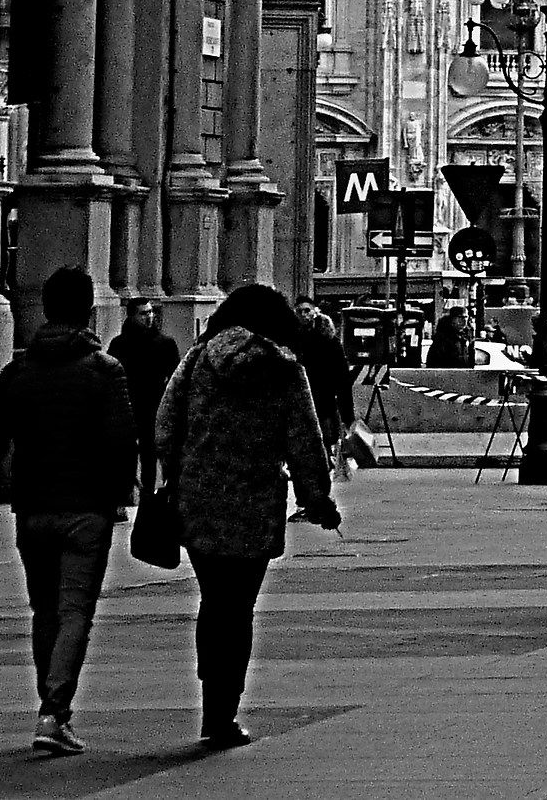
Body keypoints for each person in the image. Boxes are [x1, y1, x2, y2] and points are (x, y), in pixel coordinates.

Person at [0, 266, 138, 757]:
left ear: (46, 309)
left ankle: (49, 708)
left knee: (45, 610)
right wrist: (121, 496)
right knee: (75, 612)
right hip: (86, 510)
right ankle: (54, 711)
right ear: (89, 309)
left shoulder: (19, 372)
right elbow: (121, 442)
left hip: (32, 510)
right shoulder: (104, 371)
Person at [154, 282, 340, 749]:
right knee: (239, 607)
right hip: (254, 502)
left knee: (214, 601)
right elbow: (304, 441)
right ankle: (223, 710)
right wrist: (318, 501)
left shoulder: (197, 360)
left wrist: (184, 467)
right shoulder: (283, 369)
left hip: (199, 500)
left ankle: (210, 696)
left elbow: (164, 426)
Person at [108, 295, 180, 501]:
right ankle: (124, 495)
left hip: (153, 405)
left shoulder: (164, 343)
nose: (149, 317)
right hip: (128, 404)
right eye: (143, 313)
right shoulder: (120, 344)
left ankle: (147, 493)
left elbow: (174, 375)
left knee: (149, 453)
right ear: (131, 317)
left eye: (151, 312)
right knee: (126, 453)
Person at [291, 300, 356, 465]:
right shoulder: (292, 341)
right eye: (300, 311)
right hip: (299, 398)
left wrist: (347, 414)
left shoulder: (329, 340)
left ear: (315, 312)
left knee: (324, 438)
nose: (304, 315)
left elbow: (342, 376)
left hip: (323, 399)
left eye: (307, 311)